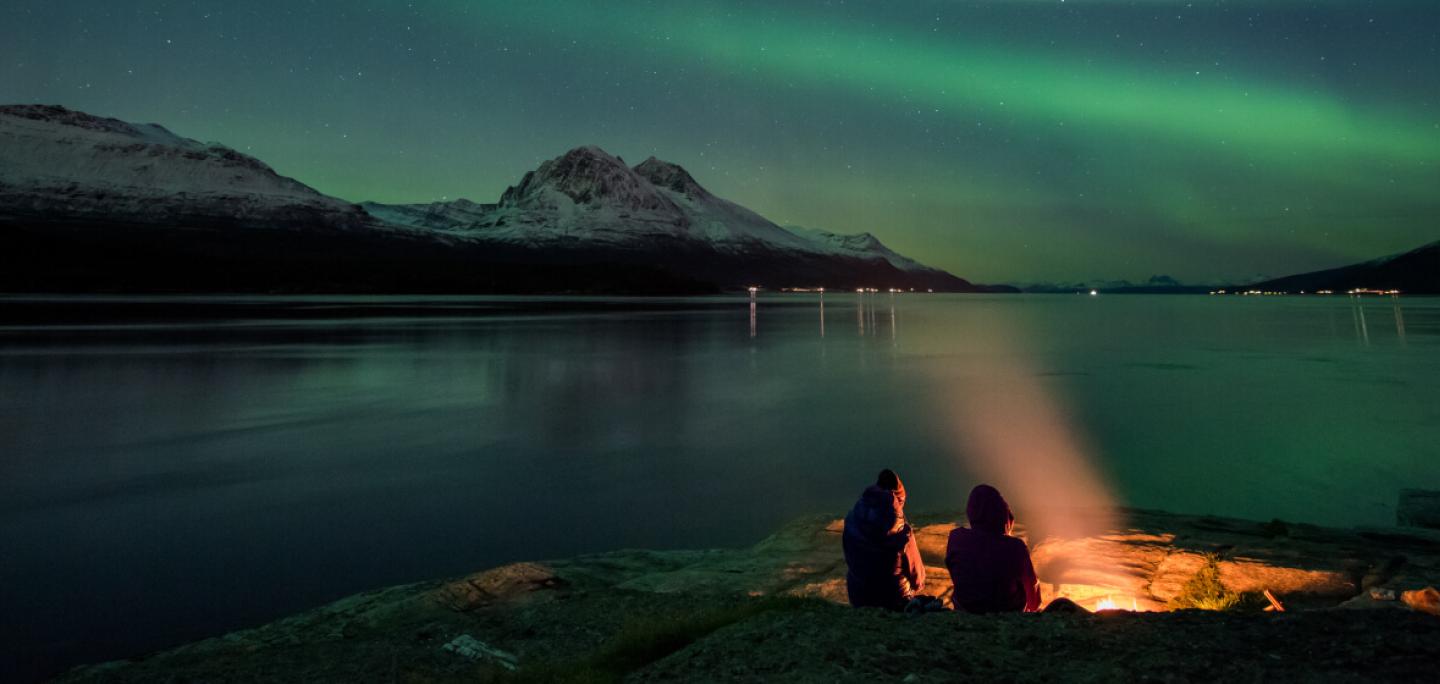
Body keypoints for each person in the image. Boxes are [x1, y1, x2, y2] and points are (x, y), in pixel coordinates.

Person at [945, 484, 1042, 614]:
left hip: (966, 611)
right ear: (1004, 515)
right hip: (1007, 614)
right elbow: (1034, 601)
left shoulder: (956, 539)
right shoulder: (1016, 548)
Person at [842, 469, 926, 610]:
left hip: (858, 597)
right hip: (894, 599)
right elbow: (918, 579)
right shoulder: (903, 533)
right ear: (898, 500)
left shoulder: (851, 521)